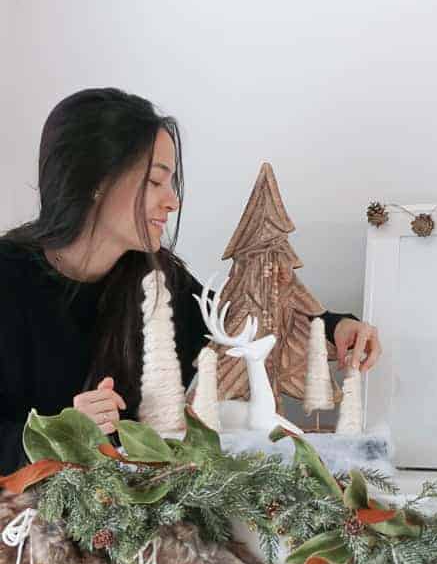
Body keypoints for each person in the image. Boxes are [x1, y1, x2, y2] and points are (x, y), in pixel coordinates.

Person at [0, 88, 383, 475]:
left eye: (172, 183)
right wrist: (56, 434)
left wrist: (336, 327)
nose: (172, 201)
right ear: (95, 182)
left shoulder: (157, 278)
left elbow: (237, 324)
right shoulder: (9, 276)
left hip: (133, 513)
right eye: (154, 182)